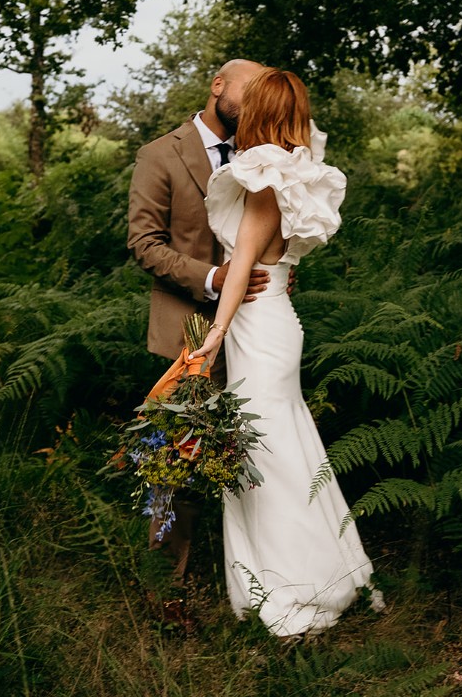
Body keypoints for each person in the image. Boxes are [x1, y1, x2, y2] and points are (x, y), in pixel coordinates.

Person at [189, 68, 380, 637]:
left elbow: (244, 263)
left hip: (257, 326)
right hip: (274, 321)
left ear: (259, 113)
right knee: (286, 450)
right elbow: (275, 261)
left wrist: (213, 336)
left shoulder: (265, 179)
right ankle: (313, 574)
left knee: (268, 460)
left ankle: (296, 589)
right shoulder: (289, 174)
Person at [127, 58, 267, 597]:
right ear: (217, 87)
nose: (255, 106)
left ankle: (254, 580)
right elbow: (144, 244)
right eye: (249, 93)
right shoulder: (160, 154)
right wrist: (214, 278)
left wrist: (273, 273)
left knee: (254, 449)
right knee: (176, 464)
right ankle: (167, 588)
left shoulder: (263, 159)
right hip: (184, 331)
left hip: (254, 332)